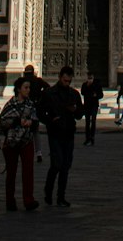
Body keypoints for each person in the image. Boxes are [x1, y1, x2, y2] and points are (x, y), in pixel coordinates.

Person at [40, 66, 83, 208]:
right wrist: (50, 121)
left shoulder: (74, 94)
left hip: (69, 132)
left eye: (69, 81)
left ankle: (61, 197)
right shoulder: (49, 93)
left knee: (65, 166)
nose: (67, 83)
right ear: (60, 77)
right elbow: (40, 112)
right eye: (65, 80)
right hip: (55, 133)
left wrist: (75, 110)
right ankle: (48, 191)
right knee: (56, 164)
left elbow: (79, 114)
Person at [0, 75, 40, 212]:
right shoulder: (10, 105)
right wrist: (17, 121)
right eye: (26, 88)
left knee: (28, 171)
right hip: (12, 142)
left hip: (26, 141)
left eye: (29, 88)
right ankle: (10, 201)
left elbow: (35, 121)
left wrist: (31, 123)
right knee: (11, 172)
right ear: (18, 89)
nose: (28, 90)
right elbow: (2, 122)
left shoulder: (30, 104)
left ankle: (29, 200)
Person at [79, 72, 103, 145]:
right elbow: (82, 92)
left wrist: (96, 95)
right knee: (87, 122)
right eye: (88, 78)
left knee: (93, 121)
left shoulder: (97, 85)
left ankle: (92, 137)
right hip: (87, 105)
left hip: (94, 105)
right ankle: (87, 138)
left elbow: (101, 95)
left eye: (91, 78)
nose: (89, 80)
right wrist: (87, 86)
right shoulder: (84, 85)